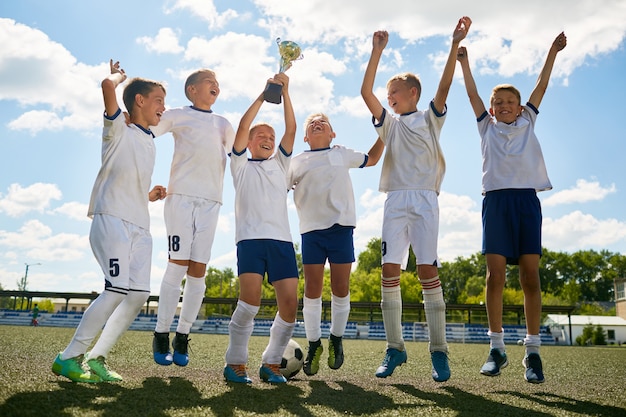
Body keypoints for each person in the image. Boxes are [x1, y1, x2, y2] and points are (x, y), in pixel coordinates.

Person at [360, 17, 471, 382]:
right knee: (389, 272)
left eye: (395, 91)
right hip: (395, 200)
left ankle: (439, 352)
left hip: (425, 200)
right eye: (388, 92)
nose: (389, 96)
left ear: (412, 94)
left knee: (427, 271)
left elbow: (444, 85)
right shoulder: (389, 124)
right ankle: (395, 348)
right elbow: (366, 94)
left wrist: (454, 45)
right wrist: (376, 52)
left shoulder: (429, 118)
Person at [456, 32, 567, 384]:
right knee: (495, 276)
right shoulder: (486, 127)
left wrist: (551, 51)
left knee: (530, 277)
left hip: (526, 202)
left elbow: (542, 85)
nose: (503, 106)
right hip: (497, 202)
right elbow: (472, 94)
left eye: (509, 102)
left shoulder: (527, 120)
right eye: (498, 102)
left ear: (519, 108)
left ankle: (532, 351)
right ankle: (496, 347)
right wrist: (463, 62)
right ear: (491, 109)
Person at [52, 60, 167, 383]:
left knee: (138, 295)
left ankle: (96, 357)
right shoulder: (118, 128)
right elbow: (106, 85)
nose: (163, 107)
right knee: (116, 290)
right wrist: (121, 77)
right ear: (139, 101)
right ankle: (68, 357)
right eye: (158, 99)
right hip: (112, 221)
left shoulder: (150, 140)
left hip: (140, 227)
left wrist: (148, 195)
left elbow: (124, 181)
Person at [287, 113, 384, 376]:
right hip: (311, 232)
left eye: (324, 123)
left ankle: (336, 340)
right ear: (305, 137)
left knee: (341, 288)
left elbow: (372, 159)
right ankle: (315, 344)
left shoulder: (341, 154)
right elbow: (278, 188)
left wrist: (386, 132)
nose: (317, 124)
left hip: (341, 229)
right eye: (311, 124)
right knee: (313, 289)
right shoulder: (296, 162)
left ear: (332, 134)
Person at [150, 69, 235, 367]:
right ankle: (161, 332)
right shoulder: (176, 115)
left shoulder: (223, 123)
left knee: (198, 269)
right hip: (181, 199)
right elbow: (146, 127)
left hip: (212, 202)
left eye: (218, 81)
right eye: (209, 81)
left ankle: (182, 335)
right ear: (192, 90)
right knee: (178, 265)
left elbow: (241, 151)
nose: (216, 84)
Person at [223, 73, 298, 384]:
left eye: (271, 135)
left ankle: (271, 364)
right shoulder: (240, 166)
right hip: (251, 241)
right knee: (249, 302)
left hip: (281, 242)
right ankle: (235, 363)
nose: (268, 138)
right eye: (261, 135)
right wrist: (263, 96)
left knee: (290, 307)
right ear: (250, 142)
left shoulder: (281, 165)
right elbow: (242, 126)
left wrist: (287, 93)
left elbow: (291, 128)